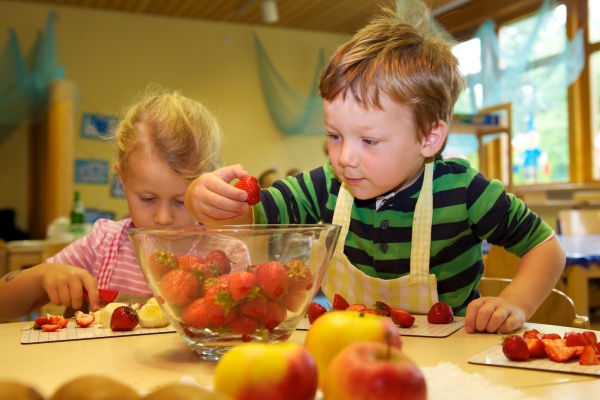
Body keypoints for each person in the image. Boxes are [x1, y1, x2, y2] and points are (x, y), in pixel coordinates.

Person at [184, 0, 566, 334]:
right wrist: (205, 199)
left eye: (368, 141)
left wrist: (516, 301)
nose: (344, 157)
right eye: (335, 136)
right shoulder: (325, 187)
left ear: (429, 137)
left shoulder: (465, 192)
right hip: (352, 351)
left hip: (451, 362)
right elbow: (247, 218)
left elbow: (546, 248)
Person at [0, 87, 248, 321]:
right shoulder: (104, 243)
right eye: (148, 199)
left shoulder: (227, 253)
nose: (163, 218)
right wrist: (40, 277)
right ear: (123, 180)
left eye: (182, 201)